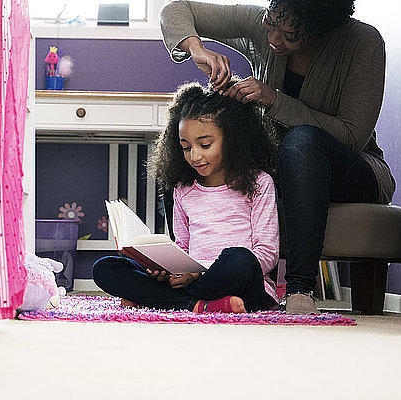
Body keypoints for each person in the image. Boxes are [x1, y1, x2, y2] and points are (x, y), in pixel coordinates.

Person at [159, 0, 395, 314]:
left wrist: (274, 100)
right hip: (280, 168)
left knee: (301, 143)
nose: (274, 39)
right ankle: (185, 279)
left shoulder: (363, 42)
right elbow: (176, 9)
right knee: (186, 155)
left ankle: (300, 289)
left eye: (290, 35)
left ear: (322, 33)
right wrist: (197, 49)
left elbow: (352, 136)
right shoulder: (264, 25)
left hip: (354, 171)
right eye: (271, 25)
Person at [93, 81, 279, 313]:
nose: (195, 156)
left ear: (233, 139)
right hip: (194, 283)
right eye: (186, 147)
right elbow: (182, 248)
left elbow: (267, 254)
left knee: (240, 258)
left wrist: (201, 273)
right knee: (106, 268)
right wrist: (167, 270)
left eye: (205, 144)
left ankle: (164, 301)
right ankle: (197, 305)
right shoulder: (183, 189)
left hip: (241, 283)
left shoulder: (259, 183)